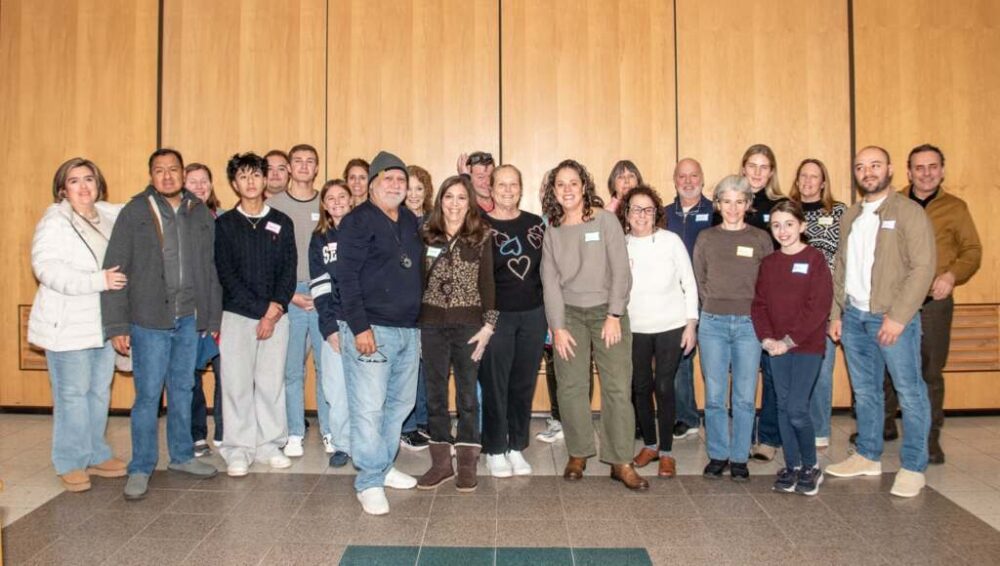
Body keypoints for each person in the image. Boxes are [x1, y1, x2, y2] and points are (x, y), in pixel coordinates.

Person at [103, 148, 221, 500]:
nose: (167, 176)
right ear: (151, 175)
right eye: (159, 170)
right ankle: (141, 466)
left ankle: (182, 456)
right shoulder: (135, 211)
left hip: (188, 319)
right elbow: (115, 269)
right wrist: (117, 325)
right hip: (148, 319)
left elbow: (211, 268)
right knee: (148, 396)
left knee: (183, 388)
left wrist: (211, 317)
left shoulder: (199, 212)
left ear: (183, 173)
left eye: (173, 169)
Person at [826, 146, 936, 498]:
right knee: (865, 392)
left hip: (891, 319)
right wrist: (836, 313)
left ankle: (914, 467)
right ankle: (868, 455)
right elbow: (841, 267)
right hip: (854, 318)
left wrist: (899, 317)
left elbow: (923, 268)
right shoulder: (852, 215)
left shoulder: (908, 212)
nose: (868, 172)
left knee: (910, 392)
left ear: (889, 169)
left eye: (875, 165)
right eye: (861, 167)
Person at [541, 159, 647, 490]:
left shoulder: (604, 220)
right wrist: (557, 327)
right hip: (569, 316)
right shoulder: (553, 229)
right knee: (571, 387)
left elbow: (621, 271)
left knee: (617, 388)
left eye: (573, 182)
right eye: (560, 184)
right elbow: (549, 282)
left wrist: (614, 314)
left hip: (607, 314)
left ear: (584, 186)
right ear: (553, 191)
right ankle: (578, 453)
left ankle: (621, 460)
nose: (567, 189)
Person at [28, 158, 128, 492]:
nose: (83, 186)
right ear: (62, 189)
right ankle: (69, 460)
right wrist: (97, 280)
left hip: (103, 321)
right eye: (74, 181)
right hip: (68, 322)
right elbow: (46, 268)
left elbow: (142, 207)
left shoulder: (108, 215)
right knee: (72, 394)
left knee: (99, 391)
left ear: (99, 184)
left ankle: (96, 453)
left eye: (89, 179)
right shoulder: (55, 221)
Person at [882, 144, 982, 464]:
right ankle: (883, 423)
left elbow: (972, 251)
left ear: (942, 170)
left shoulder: (956, 208)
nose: (926, 173)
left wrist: (951, 276)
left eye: (932, 166)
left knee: (929, 371)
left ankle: (929, 437)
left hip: (933, 302)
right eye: (919, 167)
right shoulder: (891, 203)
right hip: (895, 301)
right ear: (909, 172)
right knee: (887, 365)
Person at [337, 151, 423, 515]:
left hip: (408, 329)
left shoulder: (410, 220)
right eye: (388, 179)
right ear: (372, 185)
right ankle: (369, 481)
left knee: (399, 405)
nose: (395, 185)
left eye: (401, 179)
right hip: (371, 328)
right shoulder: (357, 221)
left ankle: (383, 467)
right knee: (369, 408)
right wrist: (360, 327)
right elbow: (345, 277)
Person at [214, 152, 297, 476]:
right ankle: (238, 449)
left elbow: (288, 271)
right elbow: (226, 275)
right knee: (236, 384)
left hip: (277, 317)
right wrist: (261, 310)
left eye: (256, 175)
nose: (250, 182)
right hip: (237, 316)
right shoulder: (224, 225)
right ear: (234, 184)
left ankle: (269, 445)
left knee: (271, 383)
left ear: (265, 180)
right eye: (243, 176)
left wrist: (274, 310)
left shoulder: (282, 221)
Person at [416, 176, 497, 491]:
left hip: (469, 327)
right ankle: (440, 463)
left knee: (467, 396)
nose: (454, 203)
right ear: (440, 201)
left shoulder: (481, 236)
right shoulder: (426, 234)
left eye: (461, 197)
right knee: (435, 394)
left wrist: (488, 327)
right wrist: (417, 326)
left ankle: (466, 462)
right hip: (431, 326)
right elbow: (417, 282)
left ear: (470, 203)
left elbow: (488, 284)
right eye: (448, 196)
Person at [694, 175, 773, 481]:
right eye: (726, 201)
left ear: (748, 204)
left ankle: (739, 457)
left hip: (748, 326)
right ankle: (718, 454)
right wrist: (712, 304)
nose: (733, 208)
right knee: (714, 396)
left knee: (744, 396)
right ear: (717, 204)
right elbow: (699, 278)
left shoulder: (760, 239)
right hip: (712, 323)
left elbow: (768, 282)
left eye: (739, 201)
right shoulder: (706, 238)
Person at [751, 200, 833, 495]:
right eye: (776, 225)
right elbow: (759, 305)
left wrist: (788, 341)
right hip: (776, 348)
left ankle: (811, 466)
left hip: (806, 347)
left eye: (789, 224)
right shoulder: (769, 263)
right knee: (783, 408)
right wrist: (767, 339)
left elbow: (818, 307)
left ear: (802, 226)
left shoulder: (815, 260)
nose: (782, 231)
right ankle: (793, 465)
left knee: (798, 409)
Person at [618, 185, 698, 478]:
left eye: (648, 209)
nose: (641, 215)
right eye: (636, 209)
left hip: (670, 325)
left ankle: (666, 452)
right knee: (640, 387)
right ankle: (650, 445)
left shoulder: (671, 241)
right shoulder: (620, 245)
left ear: (656, 214)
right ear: (627, 214)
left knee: (664, 386)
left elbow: (689, 283)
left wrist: (691, 324)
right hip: (635, 327)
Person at [480, 165, 547, 477]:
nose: (508, 190)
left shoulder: (536, 224)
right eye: (501, 185)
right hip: (496, 318)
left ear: (521, 188)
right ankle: (494, 448)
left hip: (533, 315)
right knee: (495, 384)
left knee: (523, 383)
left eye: (513, 185)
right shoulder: (479, 225)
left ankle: (516, 445)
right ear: (491, 189)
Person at [268, 144, 330, 458]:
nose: (304, 166)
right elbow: (265, 257)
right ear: (290, 167)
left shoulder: (327, 202)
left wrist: (325, 292)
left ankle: (330, 431)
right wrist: (288, 294)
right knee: (291, 369)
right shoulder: (273, 205)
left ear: (316, 168)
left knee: (325, 368)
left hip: (323, 294)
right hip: (287, 295)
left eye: (310, 161)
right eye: (298, 161)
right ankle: (294, 432)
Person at [788, 158, 847, 449]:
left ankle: (820, 429)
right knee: (793, 370)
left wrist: (839, 308)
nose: (808, 181)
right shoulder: (787, 210)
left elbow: (846, 257)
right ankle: (794, 428)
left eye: (814, 177)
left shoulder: (838, 212)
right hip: (792, 303)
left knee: (821, 370)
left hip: (826, 302)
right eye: (804, 176)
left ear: (823, 182)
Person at [664, 158, 717, 440]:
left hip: (710, 295)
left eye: (693, 175)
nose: (688, 181)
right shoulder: (662, 214)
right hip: (675, 297)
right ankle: (686, 416)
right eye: (682, 176)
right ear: (675, 180)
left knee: (713, 358)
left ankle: (717, 415)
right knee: (680, 358)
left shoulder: (715, 211)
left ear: (702, 178)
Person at [740, 144, 786, 462]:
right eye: (752, 166)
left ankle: (768, 437)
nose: (757, 172)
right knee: (742, 375)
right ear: (743, 168)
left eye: (764, 167)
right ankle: (742, 436)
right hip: (740, 303)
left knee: (771, 373)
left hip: (772, 304)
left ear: (771, 172)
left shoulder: (781, 206)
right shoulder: (731, 202)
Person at [309, 179, 355, 468]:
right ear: (324, 205)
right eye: (331, 198)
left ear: (351, 200)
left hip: (364, 322)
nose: (337, 202)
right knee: (335, 387)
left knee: (367, 390)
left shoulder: (364, 231)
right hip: (335, 321)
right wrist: (328, 328)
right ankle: (342, 443)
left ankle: (366, 443)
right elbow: (320, 285)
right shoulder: (320, 238)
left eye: (342, 196)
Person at [184, 163, 226, 456]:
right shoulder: (178, 220)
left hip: (223, 308)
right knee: (190, 375)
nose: (200, 186)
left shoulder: (223, 218)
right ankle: (196, 434)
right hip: (192, 309)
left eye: (204, 181)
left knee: (226, 374)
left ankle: (224, 432)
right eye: (193, 181)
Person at [400, 165, 434, 450]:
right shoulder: (396, 220)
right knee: (408, 366)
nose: (413, 194)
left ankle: (424, 420)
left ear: (427, 192)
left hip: (432, 303)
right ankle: (407, 425)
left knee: (426, 364)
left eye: (419, 188)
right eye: (408, 188)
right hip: (405, 303)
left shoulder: (435, 222)